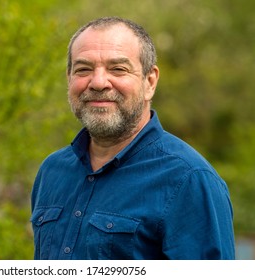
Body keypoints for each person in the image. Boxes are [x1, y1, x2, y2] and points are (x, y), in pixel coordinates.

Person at [30, 16, 235, 260]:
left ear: (150, 82)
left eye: (118, 69)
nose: (98, 82)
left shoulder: (189, 180)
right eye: (83, 69)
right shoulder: (52, 172)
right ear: (69, 78)